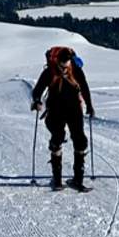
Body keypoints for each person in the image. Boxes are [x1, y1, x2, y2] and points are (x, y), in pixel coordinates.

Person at [31, 48, 95, 191]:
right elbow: (38, 90)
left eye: (66, 65)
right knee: (58, 138)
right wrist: (37, 100)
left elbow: (84, 88)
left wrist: (90, 106)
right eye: (62, 65)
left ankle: (77, 179)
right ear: (57, 61)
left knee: (80, 140)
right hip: (56, 109)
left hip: (73, 109)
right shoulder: (50, 71)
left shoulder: (76, 70)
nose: (64, 68)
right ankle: (58, 179)